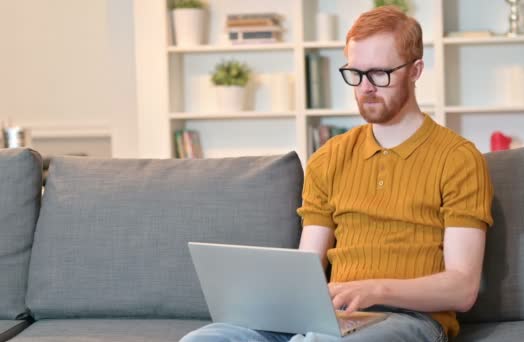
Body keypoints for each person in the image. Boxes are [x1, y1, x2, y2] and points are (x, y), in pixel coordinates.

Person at [180, 5, 493, 342]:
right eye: (356, 74)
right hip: (333, 317)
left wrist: (375, 289)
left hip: (411, 320)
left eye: (379, 74)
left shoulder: (458, 158)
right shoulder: (329, 157)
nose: (366, 87)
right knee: (206, 339)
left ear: (415, 71)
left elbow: (463, 288)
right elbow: (306, 266)